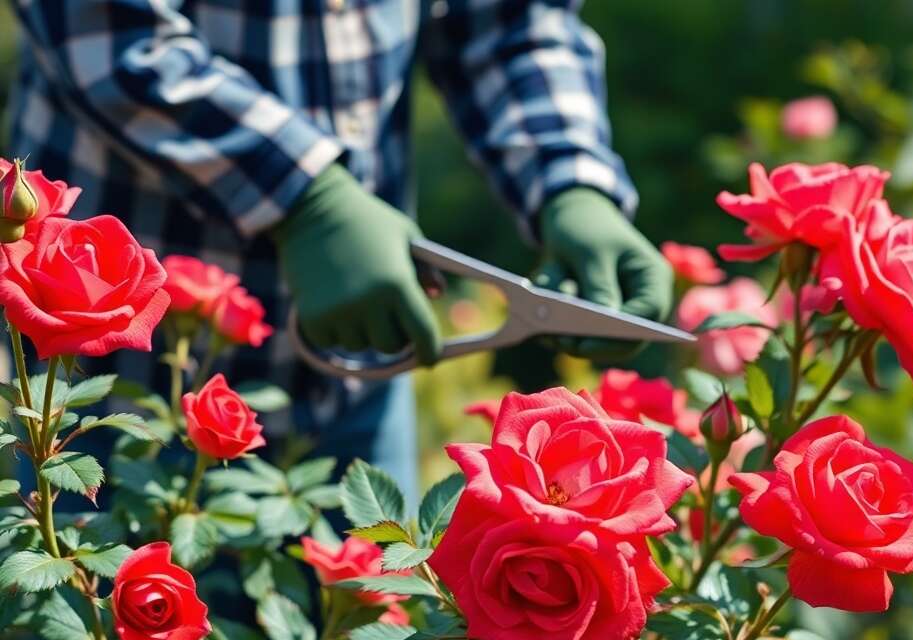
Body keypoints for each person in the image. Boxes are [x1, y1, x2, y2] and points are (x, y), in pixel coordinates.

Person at [3, 0, 673, 494]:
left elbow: (502, 23)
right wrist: (304, 197)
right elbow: (107, 29)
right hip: (113, 399)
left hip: (361, 380)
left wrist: (570, 181)